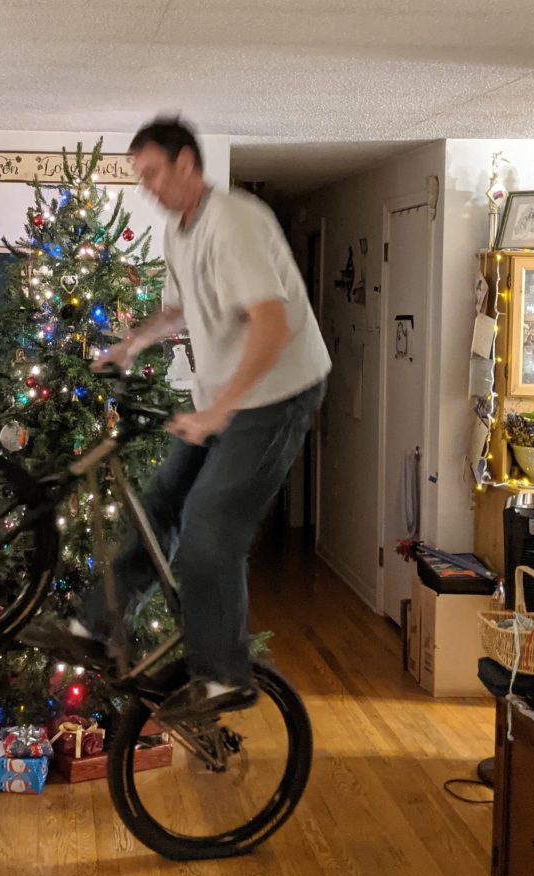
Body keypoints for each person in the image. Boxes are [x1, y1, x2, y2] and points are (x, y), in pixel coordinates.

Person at [27, 117, 331, 721]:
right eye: (139, 177)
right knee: (160, 502)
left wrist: (218, 408)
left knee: (209, 526)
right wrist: (131, 345)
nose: (147, 188)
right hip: (225, 397)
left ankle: (223, 677)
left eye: (153, 173)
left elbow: (272, 324)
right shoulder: (180, 230)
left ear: (188, 163)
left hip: (278, 394)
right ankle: (93, 629)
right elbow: (177, 312)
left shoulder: (235, 221)